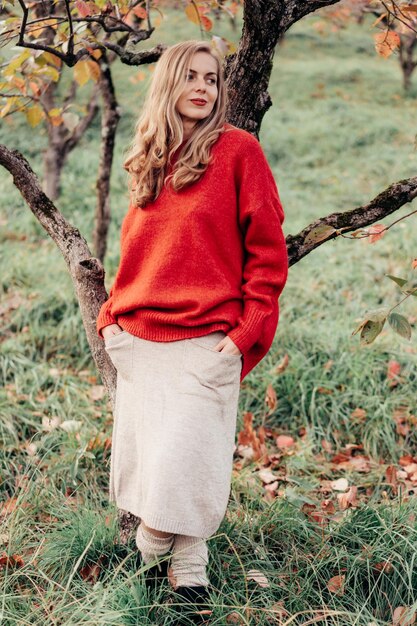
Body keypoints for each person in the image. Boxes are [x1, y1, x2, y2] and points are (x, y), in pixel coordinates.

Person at [96, 39, 288, 623]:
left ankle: (148, 549)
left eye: (212, 78)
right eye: (190, 77)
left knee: (187, 464)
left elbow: (268, 254)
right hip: (139, 338)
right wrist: (110, 321)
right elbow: (137, 250)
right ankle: (190, 576)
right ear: (168, 86)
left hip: (208, 340)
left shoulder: (237, 151)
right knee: (155, 462)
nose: (202, 87)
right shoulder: (149, 155)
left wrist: (245, 333)